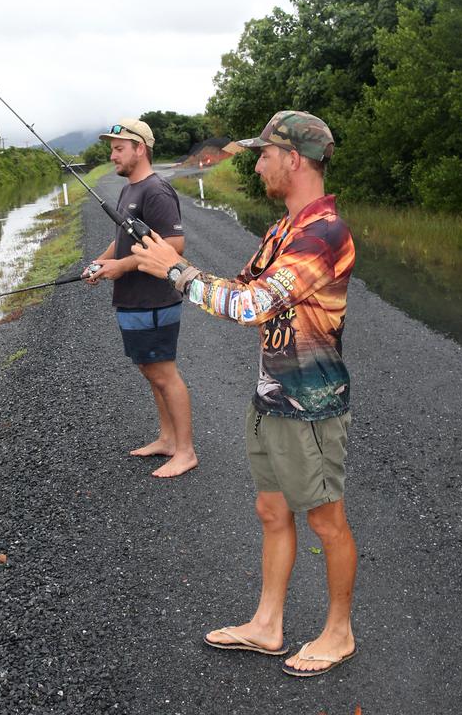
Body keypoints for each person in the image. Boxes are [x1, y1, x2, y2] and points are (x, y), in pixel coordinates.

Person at [132, 110, 357, 677]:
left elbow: (252, 307)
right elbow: (240, 288)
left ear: (294, 159)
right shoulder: (282, 230)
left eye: (263, 155)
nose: (257, 165)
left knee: (326, 522)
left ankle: (339, 633)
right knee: (270, 509)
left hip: (310, 407)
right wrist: (169, 263)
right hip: (271, 397)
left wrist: (178, 272)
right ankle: (267, 625)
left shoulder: (323, 235)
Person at [84, 118, 198, 479]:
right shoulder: (129, 189)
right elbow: (123, 240)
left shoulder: (155, 191)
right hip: (133, 299)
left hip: (155, 300)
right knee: (151, 372)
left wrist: (122, 266)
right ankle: (167, 439)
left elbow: (175, 245)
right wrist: (104, 262)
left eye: (119, 148)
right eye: (112, 148)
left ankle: (186, 451)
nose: (113, 154)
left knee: (165, 374)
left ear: (140, 149)